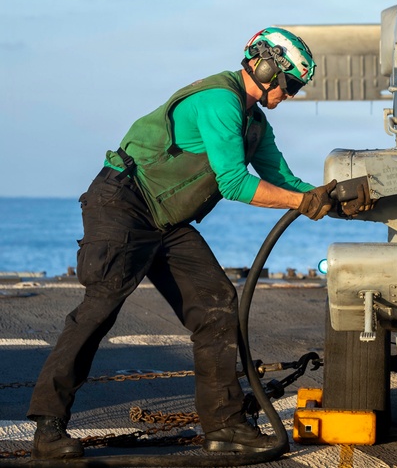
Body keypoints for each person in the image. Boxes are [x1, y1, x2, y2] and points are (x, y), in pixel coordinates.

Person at [27, 27, 372, 459]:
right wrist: (303, 201)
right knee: (100, 307)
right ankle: (48, 425)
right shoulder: (219, 101)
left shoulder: (254, 124)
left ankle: (225, 426)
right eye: (291, 84)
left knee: (216, 306)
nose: (293, 94)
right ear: (266, 69)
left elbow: (282, 180)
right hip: (124, 204)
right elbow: (233, 182)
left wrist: (330, 201)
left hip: (167, 221)